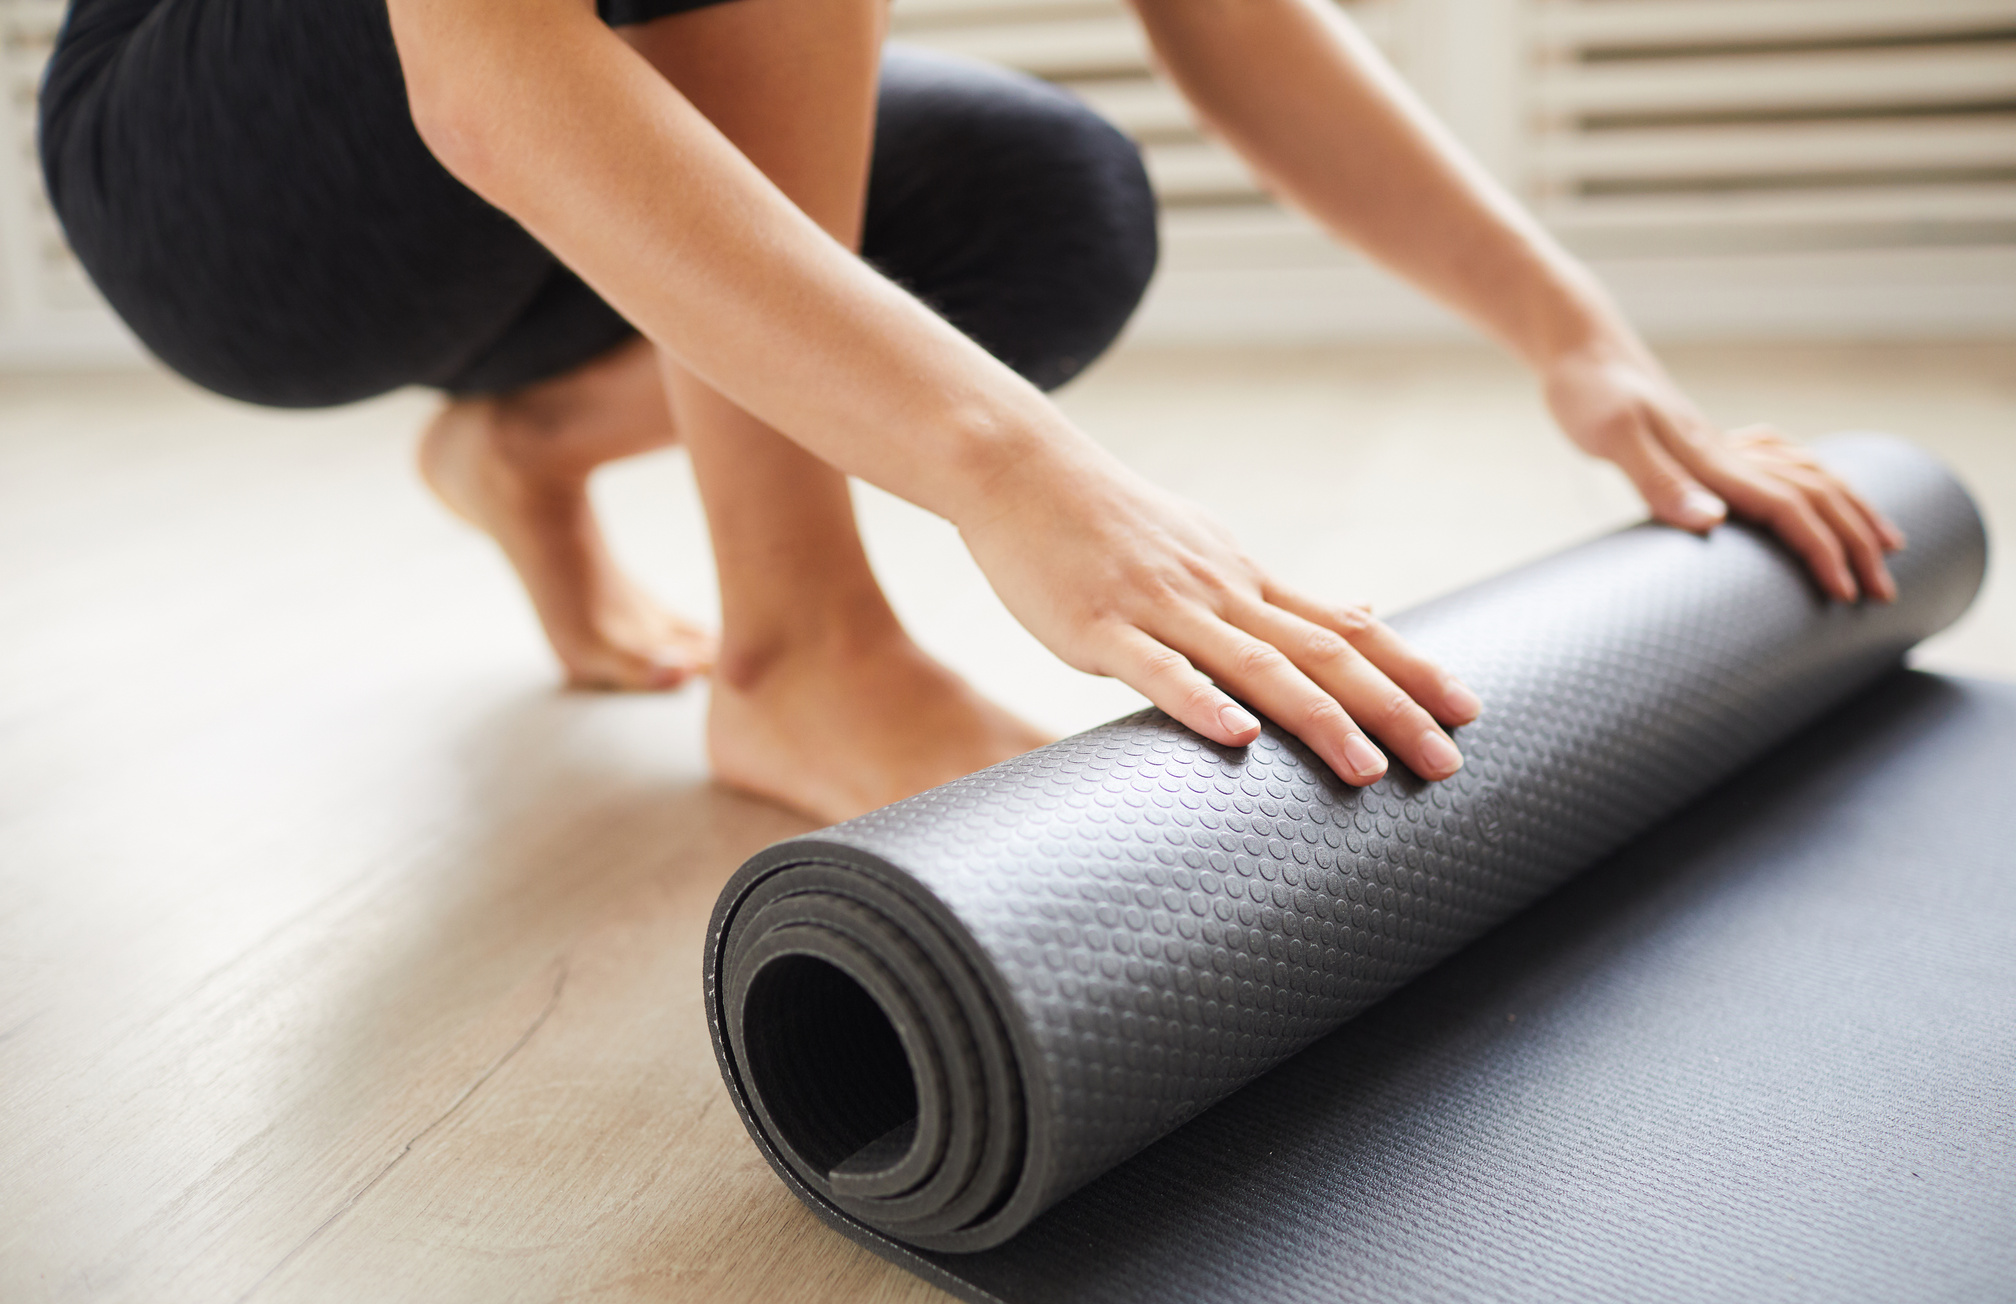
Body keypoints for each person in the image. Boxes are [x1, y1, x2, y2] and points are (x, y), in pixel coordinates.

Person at [39, 0, 1902, 823]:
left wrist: (1574, 334)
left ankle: (528, 445)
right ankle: (803, 646)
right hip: (231, 187)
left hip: (534, 205)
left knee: (1051, 208)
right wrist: (1012, 473)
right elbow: (489, 71)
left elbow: (1236, 16)